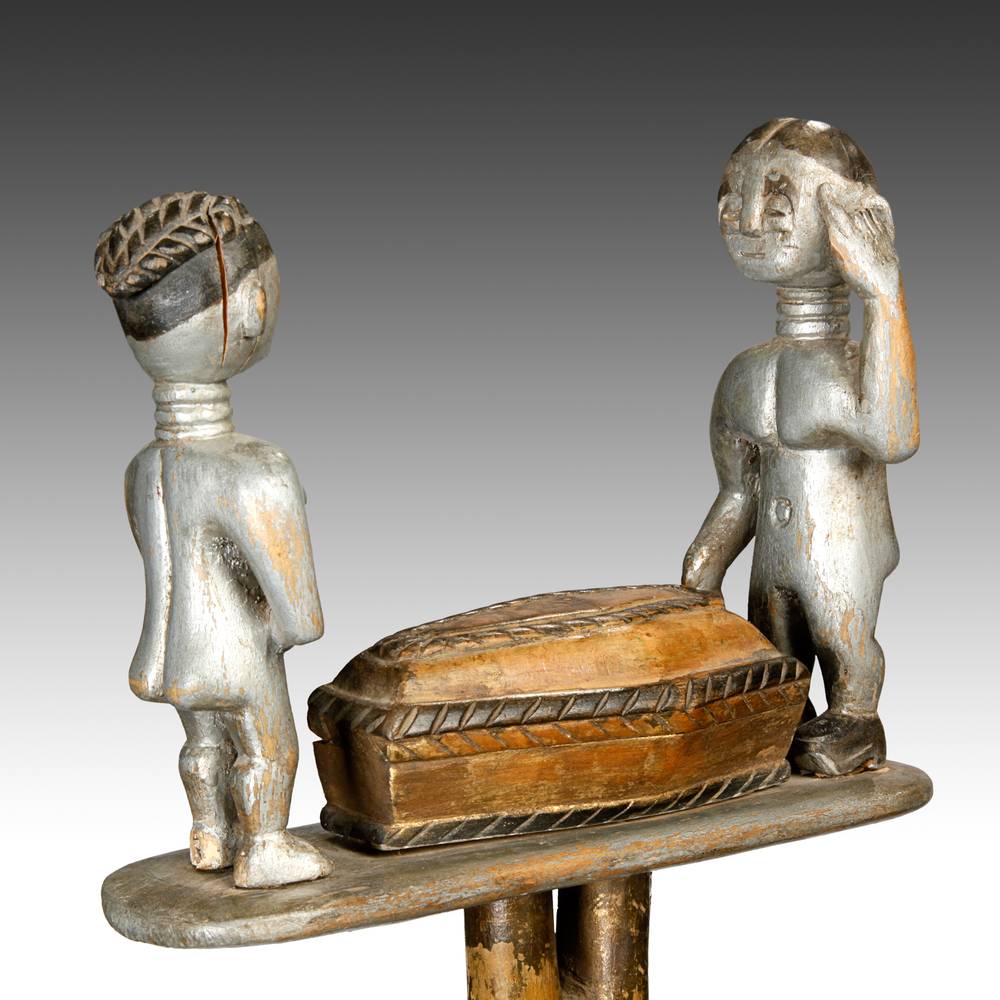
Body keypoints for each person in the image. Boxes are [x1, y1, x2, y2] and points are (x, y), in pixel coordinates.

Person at [95, 192, 332, 887]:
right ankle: (264, 845)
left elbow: (152, 550)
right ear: (249, 308)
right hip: (238, 650)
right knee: (269, 744)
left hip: (168, 648)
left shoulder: (143, 468)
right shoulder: (256, 468)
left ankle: (209, 832)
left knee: (202, 740)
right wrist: (291, 628)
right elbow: (298, 609)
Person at [682, 120, 919, 776]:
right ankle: (787, 716)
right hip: (775, 553)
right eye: (735, 198)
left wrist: (884, 293)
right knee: (772, 645)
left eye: (777, 198)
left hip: (844, 548)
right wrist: (704, 564)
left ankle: (856, 718)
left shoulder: (853, 369)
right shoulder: (746, 373)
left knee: (843, 634)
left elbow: (894, 435)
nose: (747, 220)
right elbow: (738, 491)